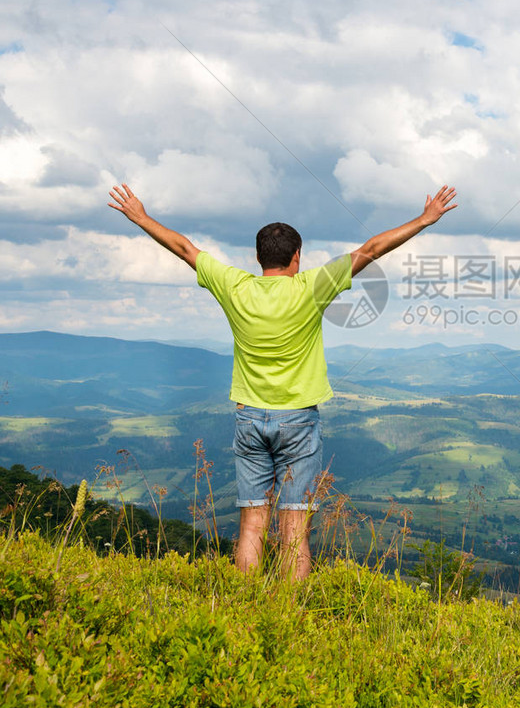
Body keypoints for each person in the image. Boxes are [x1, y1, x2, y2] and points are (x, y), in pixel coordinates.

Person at [108, 182, 458, 578]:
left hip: (249, 418)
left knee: (252, 525)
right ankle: (290, 616)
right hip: (298, 421)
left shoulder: (235, 286)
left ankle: (245, 604)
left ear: (258, 257)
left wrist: (140, 217)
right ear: (297, 257)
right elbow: (372, 249)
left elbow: (186, 249)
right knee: (295, 530)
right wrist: (426, 219)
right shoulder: (311, 287)